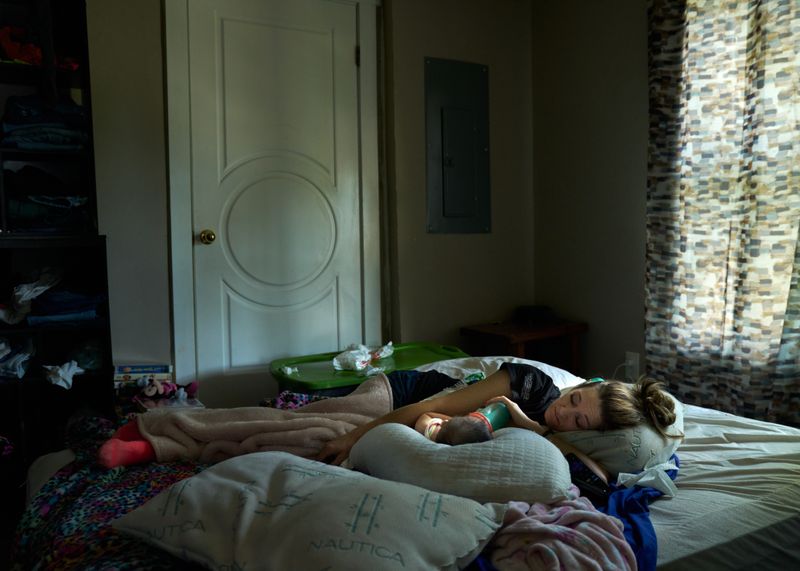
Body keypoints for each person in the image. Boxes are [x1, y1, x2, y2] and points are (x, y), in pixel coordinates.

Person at [317, 362, 679, 481]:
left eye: (579, 421)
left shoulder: (555, 443)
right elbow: (437, 405)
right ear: (584, 386)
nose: (563, 413)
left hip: (431, 420)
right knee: (319, 428)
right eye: (574, 399)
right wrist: (354, 438)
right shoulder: (531, 385)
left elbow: (600, 478)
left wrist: (536, 429)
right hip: (408, 393)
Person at [414, 412, 493, 445]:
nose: (445, 421)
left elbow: (426, 415)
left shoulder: (431, 430)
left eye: (448, 422)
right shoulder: (455, 439)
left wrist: (452, 420)